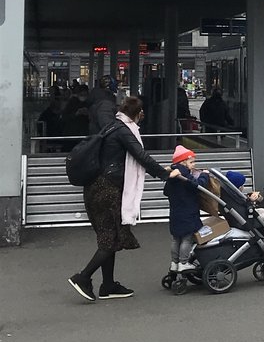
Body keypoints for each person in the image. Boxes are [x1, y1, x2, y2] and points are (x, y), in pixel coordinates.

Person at [68, 96, 170, 302]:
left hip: (97, 188)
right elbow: (141, 156)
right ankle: (83, 277)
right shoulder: (124, 131)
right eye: (141, 112)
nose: (143, 116)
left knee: (109, 237)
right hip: (107, 190)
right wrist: (165, 174)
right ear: (137, 113)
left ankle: (108, 285)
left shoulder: (113, 126)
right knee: (111, 238)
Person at [164, 146, 208, 276]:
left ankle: (174, 263)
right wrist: (205, 175)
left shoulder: (173, 177)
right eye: (191, 162)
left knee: (176, 238)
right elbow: (198, 186)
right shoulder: (185, 176)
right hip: (188, 212)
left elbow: (166, 192)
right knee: (187, 239)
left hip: (175, 212)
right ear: (183, 162)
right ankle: (183, 263)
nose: (194, 165)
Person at [222, 170, 264, 237]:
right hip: (243, 221)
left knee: (262, 210)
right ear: (238, 187)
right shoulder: (233, 196)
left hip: (242, 215)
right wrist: (251, 201)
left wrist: (249, 199)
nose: (243, 187)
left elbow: (241, 204)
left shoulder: (229, 194)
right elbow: (243, 206)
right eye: (242, 185)